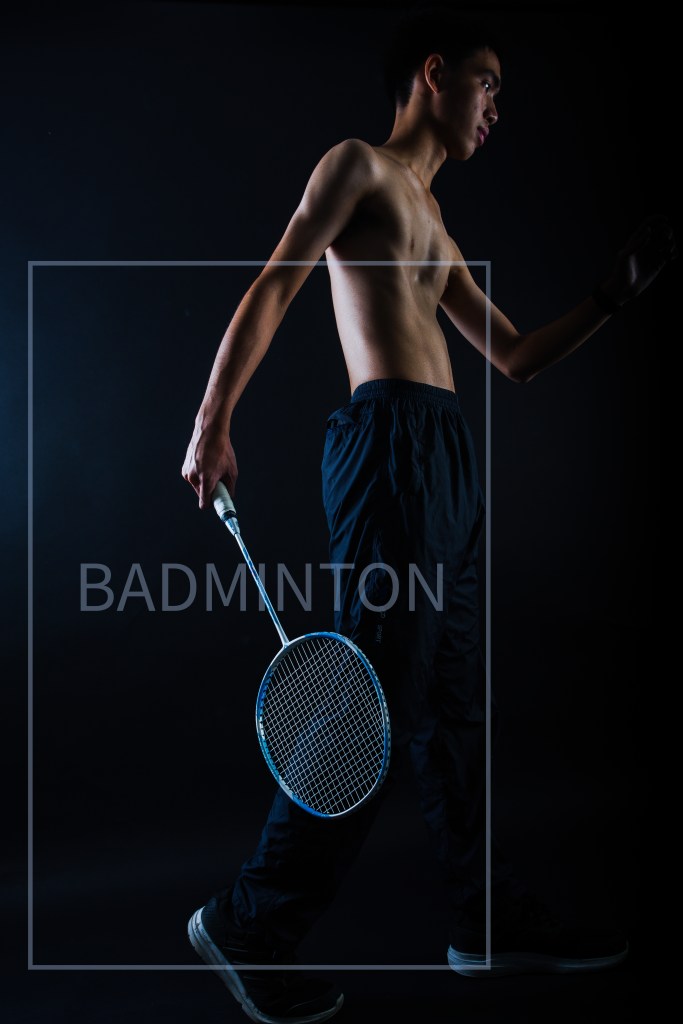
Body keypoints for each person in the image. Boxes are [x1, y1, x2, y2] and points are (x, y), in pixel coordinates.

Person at [181, 8, 675, 1022]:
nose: (495, 107)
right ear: (433, 72)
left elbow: (515, 357)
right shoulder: (357, 167)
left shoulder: (437, 227)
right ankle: (248, 921)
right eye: (486, 83)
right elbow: (276, 282)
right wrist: (211, 421)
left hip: (445, 455)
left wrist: (609, 298)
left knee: (456, 709)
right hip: (389, 447)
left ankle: (482, 921)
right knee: (368, 702)